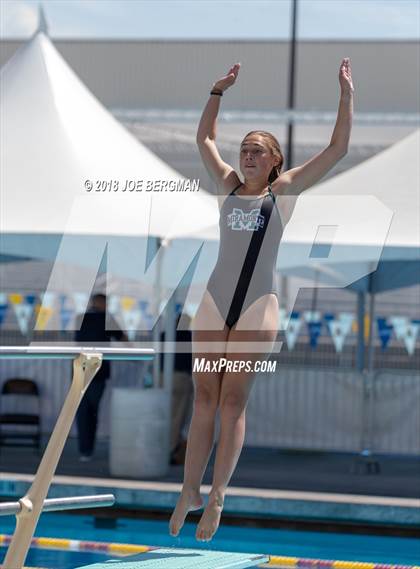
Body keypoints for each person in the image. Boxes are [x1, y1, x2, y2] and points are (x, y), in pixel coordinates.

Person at [169, 60, 354, 541]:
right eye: (244, 150)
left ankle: (217, 496)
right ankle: (190, 489)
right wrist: (216, 91)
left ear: (274, 160)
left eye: (257, 151)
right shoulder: (227, 187)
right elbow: (204, 141)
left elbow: (338, 149)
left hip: (256, 306)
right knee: (203, 397)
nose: (247, 157)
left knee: (232, 403)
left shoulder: (284, 192)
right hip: (214, 301)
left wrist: (345, 95)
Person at [75, 293, 127, 461]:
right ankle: (88, 448)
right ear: (100, 302)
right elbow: (123, 338)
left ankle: (84, 450)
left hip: (81, 369)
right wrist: (137, 351)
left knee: (83, 411)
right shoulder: (106, 319)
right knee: (92, 411)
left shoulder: (79, 318)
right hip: (98, 371)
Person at [160, 313, 194, 465]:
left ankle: (163, 447)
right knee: (176, 417)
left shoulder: (163, 335)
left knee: (162, 415)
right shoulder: (189, 336)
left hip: (161, 376)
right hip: (180, 377)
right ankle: (170, 449)